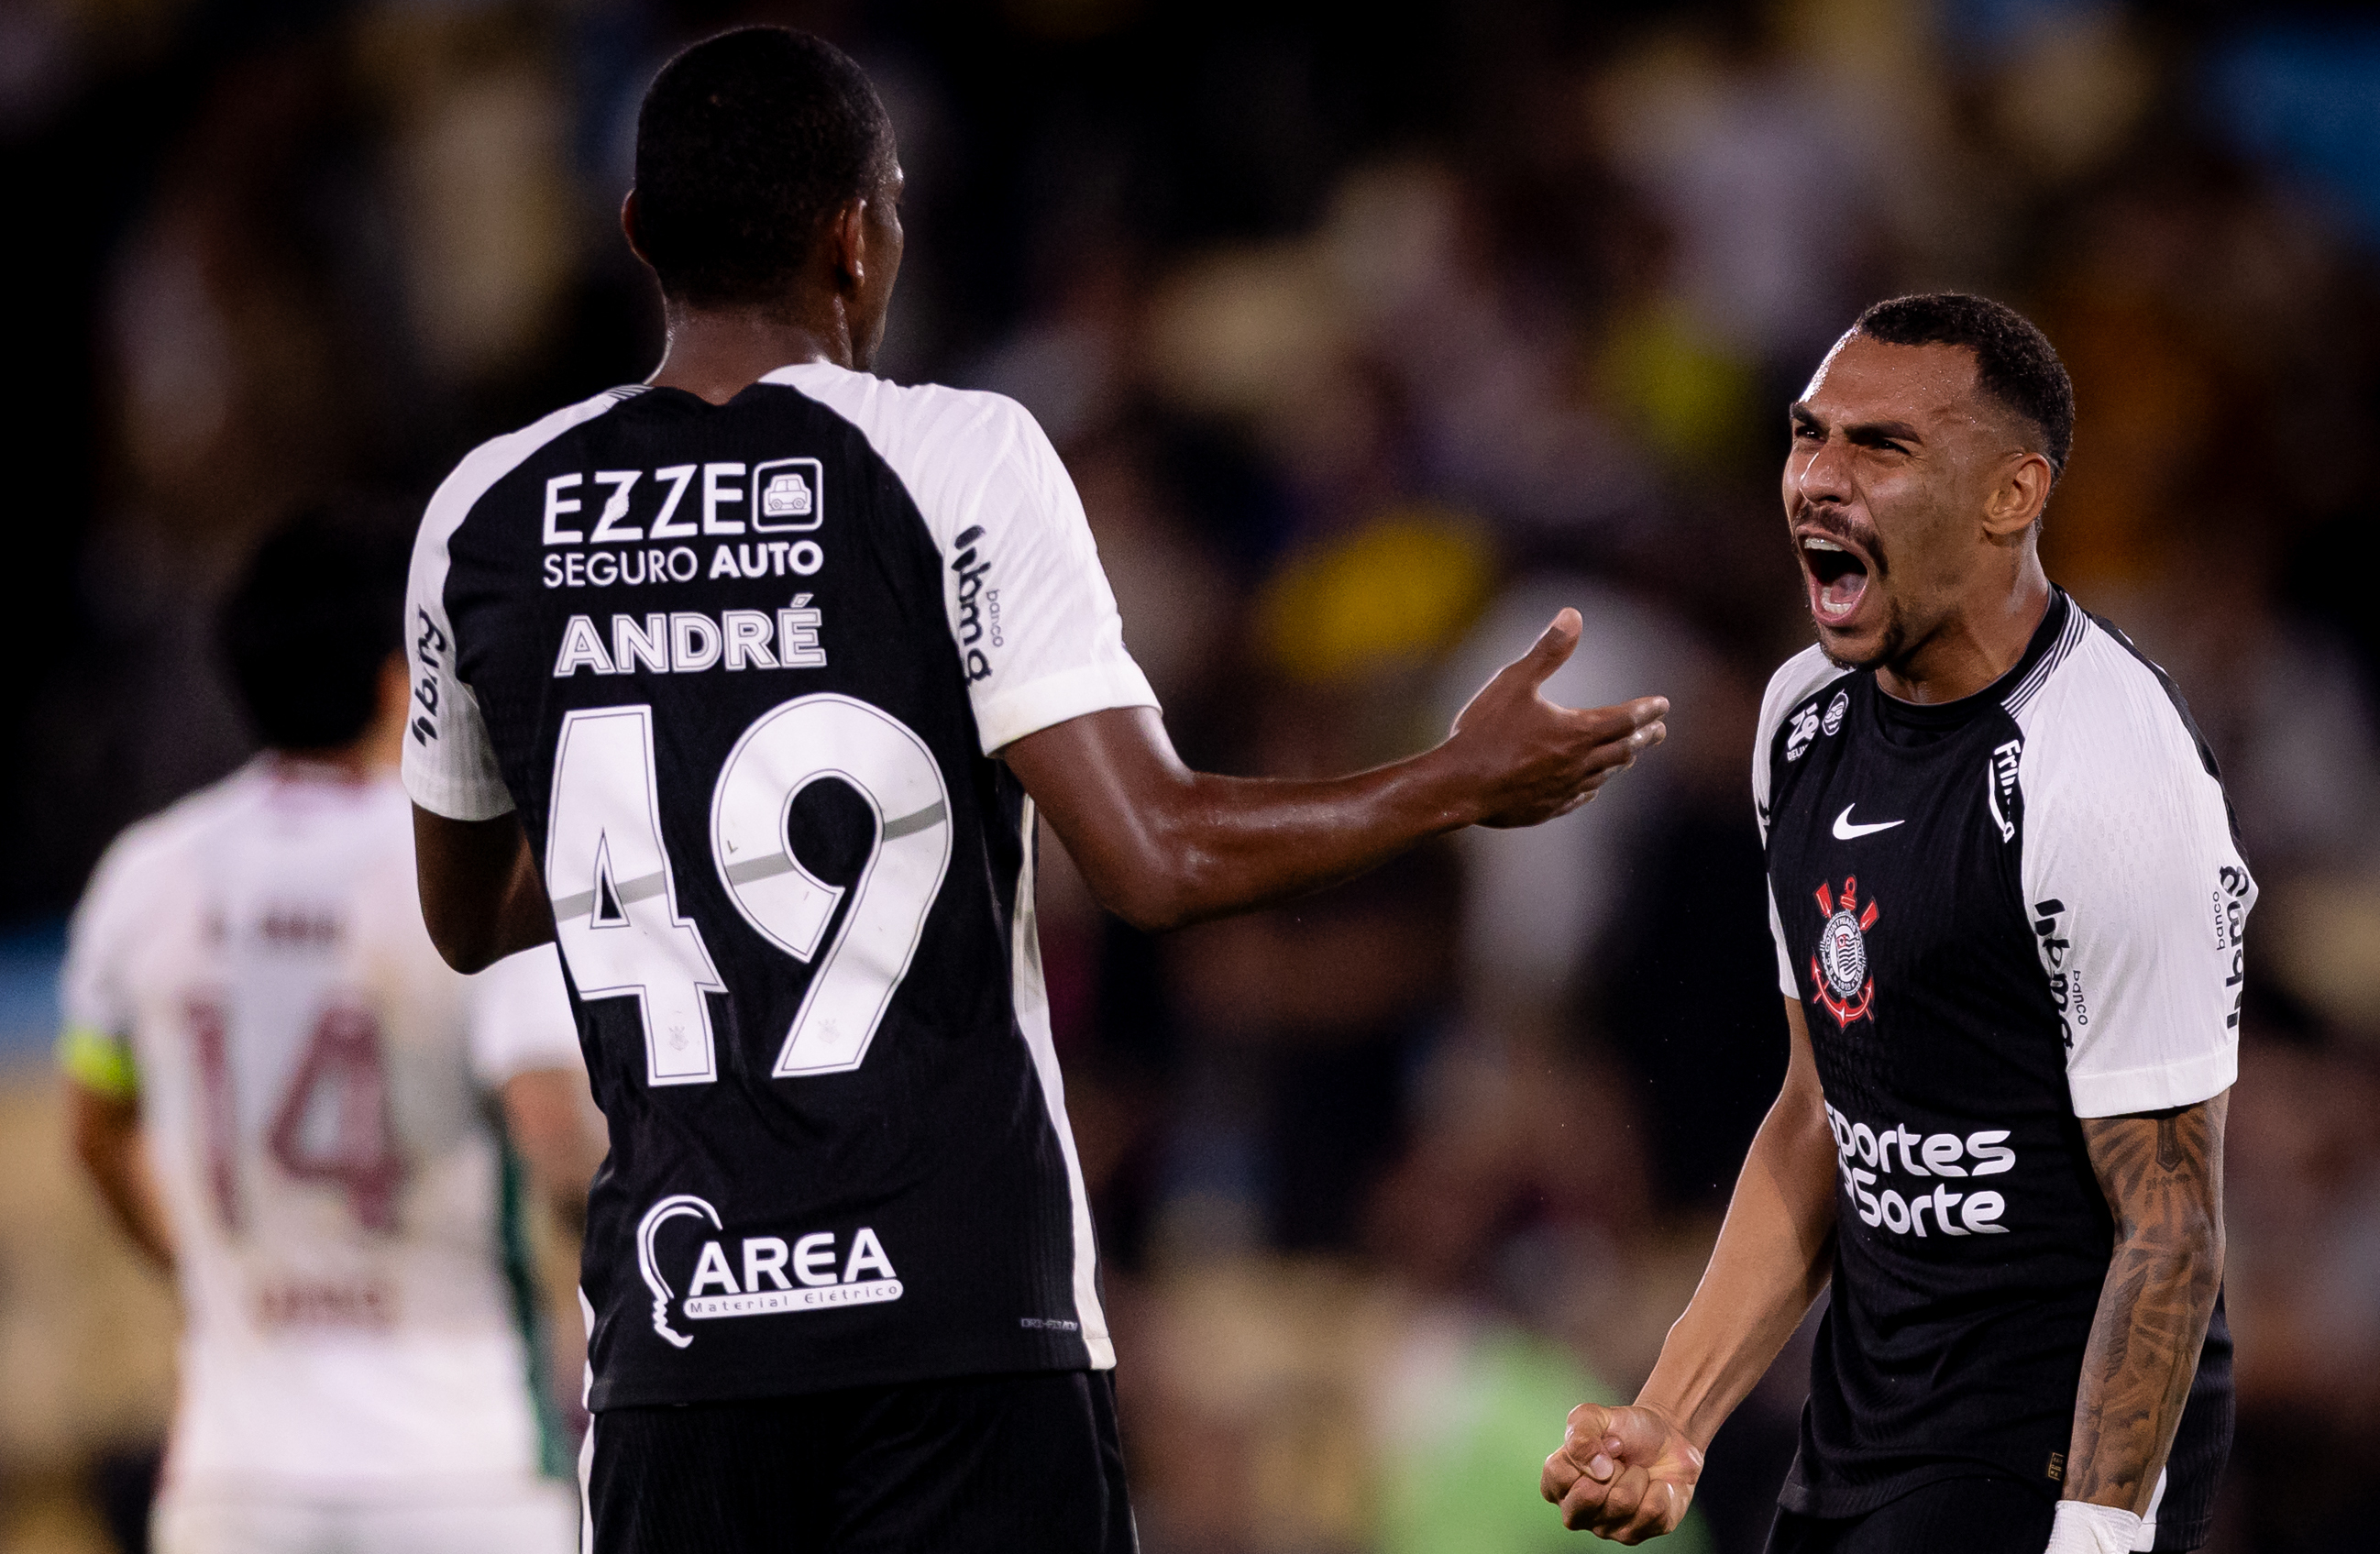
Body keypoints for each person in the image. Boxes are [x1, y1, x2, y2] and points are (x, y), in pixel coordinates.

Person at [398, 26, 1668, 1554]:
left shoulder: (484, 511)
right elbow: (1152, 854)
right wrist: (1449, 783)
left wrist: (665, 834)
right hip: (959, 1323)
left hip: (681, 1345)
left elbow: (467, 914)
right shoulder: (957, 458)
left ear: (634, 236)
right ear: (853, 238)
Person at [1541, 294, 2245, 1554]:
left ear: (2009, 494)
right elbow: (1825, 1109)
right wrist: (1676, 1411)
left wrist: (2095, 1533)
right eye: (1808, 435)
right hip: (1862, 1423)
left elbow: (2170, 1219)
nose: (1817, 476)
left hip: (2054, 1439)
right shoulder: (1801, 718)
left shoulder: (2106, 775)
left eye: (1880, 445)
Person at [61, 514, 601, 1554]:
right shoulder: (466, 880)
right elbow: (554, 1132)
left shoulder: (146, 876)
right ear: (407, 678)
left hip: (233, 1476)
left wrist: (217, 1271)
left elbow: (95, 1128)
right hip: (456, 1467)